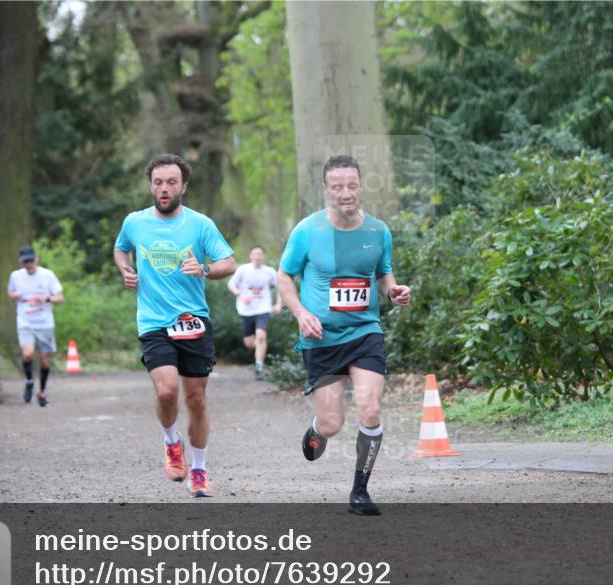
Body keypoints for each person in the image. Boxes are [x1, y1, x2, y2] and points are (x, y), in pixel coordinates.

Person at [278, 155, 412, 515]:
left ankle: (360, 491)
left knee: (369, 408)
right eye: (337, 187)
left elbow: (384, 274)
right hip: (322, 338)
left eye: (351, 185)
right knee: (332, 424)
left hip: (365, 332)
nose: (345, 193)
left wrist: (393, 291)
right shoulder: (308, 230)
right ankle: (317, 429)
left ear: (361, 186)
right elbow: (283, 276)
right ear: (325, 190)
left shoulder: (378, 231)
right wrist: (301, 313)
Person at [114, 153, 236, 498]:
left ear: (183, 186)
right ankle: (171, 442)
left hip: (194, 321)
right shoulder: (135, 222)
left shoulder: (200, 225)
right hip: (153, 320)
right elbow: (121, 249)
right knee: (166, 390)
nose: (163, 188)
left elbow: (230, 263)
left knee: (196, 399)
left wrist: (205, 270)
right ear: (150, 186)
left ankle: (199, 471)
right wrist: (126, 269)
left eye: (170, 182)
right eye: (157, 182)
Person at [7, 245, 64, 407]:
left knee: (44, 359)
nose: (29, 264)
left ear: (36, 259)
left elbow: (60, 298)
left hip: (45, 324)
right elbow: (10, 293)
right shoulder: (16, 276)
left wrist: (45, 299)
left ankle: (42, 391)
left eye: (31, 260)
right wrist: (15, 296)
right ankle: (29, 380)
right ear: (21, 262)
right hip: (25, 322)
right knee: (27, 354)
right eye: (26, 261)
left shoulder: (47, 275)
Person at [228, 245, 282, 379]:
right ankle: (259, 349)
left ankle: (259, 366)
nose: (257, 256)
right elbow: (231, 285)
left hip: (263, 308)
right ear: (250, 256)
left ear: (263, 256)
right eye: (254, 254)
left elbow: (281, 287)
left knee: (261, 335)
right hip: (246, 310)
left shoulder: (269, 272)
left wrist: (279, 304)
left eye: (260, 254)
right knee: (249, 343)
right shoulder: (243, 270)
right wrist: (240, 294)